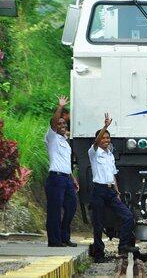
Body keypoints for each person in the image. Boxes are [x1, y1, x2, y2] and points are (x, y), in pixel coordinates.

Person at [89, 113, 138, 262]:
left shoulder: (110, 155)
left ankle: (123, 247)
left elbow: (113, 174)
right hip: (98, 190)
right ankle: (99, 253)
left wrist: (116, 191)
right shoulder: (94, 152)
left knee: (128, 216)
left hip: (110, 191)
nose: (105, 140)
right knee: (98, 223)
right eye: (103, 138)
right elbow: (96, 142)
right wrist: (105, 127)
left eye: (107, 138)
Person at [44, 95, 79, 247]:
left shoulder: (65, 142)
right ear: (54, 126)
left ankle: (64, 237)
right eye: (60, 123)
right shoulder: (51, 138)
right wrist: (60, 107)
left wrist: (73, 178)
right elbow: (53, 121)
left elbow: (65, 163)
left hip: (66, 179)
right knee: (55, 210)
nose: (63, 125)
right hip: (55, 179)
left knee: (71, 207)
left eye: (64, 123)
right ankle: (54, 240)